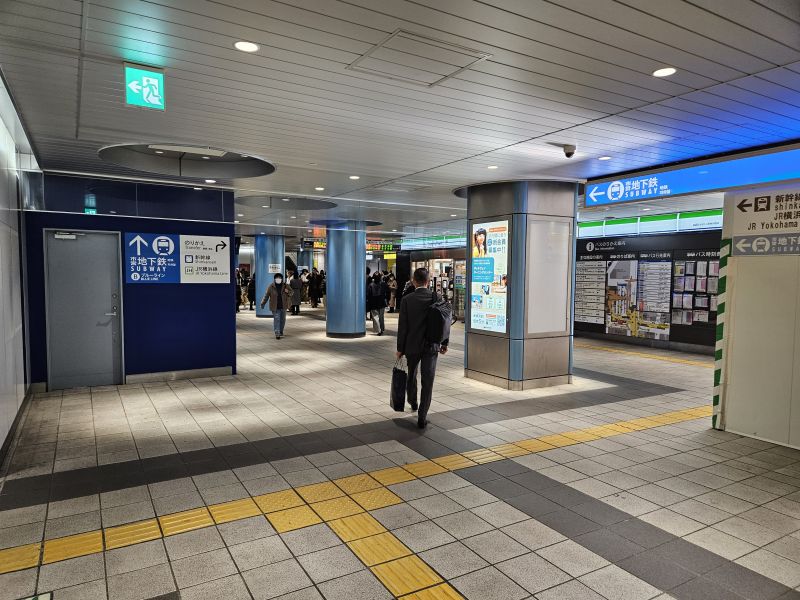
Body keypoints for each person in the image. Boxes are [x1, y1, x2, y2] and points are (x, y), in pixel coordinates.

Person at [396, 268, 449, 428]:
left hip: (412, 345)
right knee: (428, 381)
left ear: (413, 281)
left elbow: (403, 327)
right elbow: (444, 322)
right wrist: (444, 342)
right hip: (431, 346)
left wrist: (400, 348)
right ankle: (422, 416)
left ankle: (413, 401)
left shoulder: (407, 300)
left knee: (412, 374)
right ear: (428, 281)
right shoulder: (437, 297)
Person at [260, 273, 292, 339]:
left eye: (279, 278)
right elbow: (266, 296)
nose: (278, 279)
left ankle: (281, 331)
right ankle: (277, 333)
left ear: (282, 279)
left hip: (284, 305)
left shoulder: (286, 285)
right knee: (277, 319)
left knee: (283, 320)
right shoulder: (271, 286)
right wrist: (262, 303)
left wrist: (287, 291)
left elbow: (292, 292)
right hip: (275, 306)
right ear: (274, 279)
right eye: (277, 278)